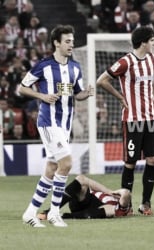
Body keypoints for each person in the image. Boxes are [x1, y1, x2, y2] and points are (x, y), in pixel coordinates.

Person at [20, 24, 94, 227]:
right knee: (67, 164)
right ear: (56, 43)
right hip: (48, 122)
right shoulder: (44, 65)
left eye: (72, 40)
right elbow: (22, 87)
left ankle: (30, 213)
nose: (71, 44)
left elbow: (75, 94)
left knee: (52, 169)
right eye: (67, 41)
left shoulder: (75, 67)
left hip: (65, 124)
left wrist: (84, 94)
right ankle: (54, 212)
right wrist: (42, 95)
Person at [96, 26, 154, 216]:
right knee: (130, 163)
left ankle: (146, 204)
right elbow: (102, 80)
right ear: (143, 42)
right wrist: (119, 97)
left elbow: (151, 81)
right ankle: (125, 206)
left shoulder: (152, 59)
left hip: (151, 118)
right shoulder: (126, 62)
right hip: (132, 119)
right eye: (152, 40)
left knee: (153, 159)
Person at [37, 175, 132, 220]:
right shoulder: (114, 196)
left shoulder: (118, 208)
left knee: (109, 210)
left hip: (86, 211)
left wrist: (121, 193)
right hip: (82, 201)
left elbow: (126, 193)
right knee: (81, 180)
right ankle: (51, 210)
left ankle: (57, 215)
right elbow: (89, 182)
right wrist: (109, 191)